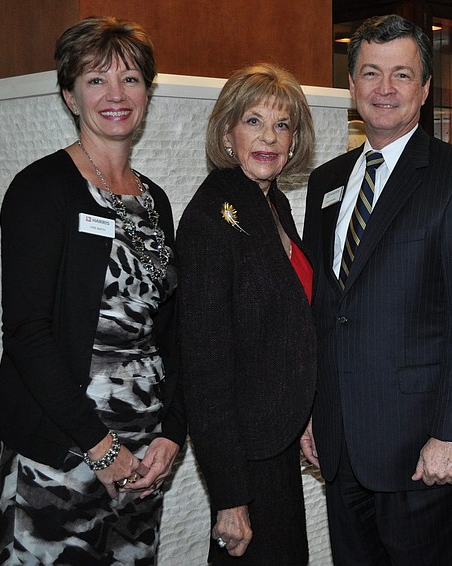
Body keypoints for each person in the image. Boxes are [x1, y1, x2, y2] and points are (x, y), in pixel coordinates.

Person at [300, 14, 452, 565]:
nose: (384, 89)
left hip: (423, 448)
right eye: (371, 73)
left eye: (400, 74)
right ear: (352, 86)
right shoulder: (326, 182)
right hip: (342, 444)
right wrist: (314, 416)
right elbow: (324, 310)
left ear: (424, 88)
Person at [0, 16, 184, 564]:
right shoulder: (40, 190)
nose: (116, 95)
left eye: (130, 78)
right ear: (70, 97)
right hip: (59, 453)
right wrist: (101, 450)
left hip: (143, 458)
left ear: (147, 90)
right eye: (96, 80)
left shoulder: (156, 202)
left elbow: (169, 330)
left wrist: (171, 430)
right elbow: (27, 334)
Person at [175, 63, 316, 564]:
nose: (269, 138)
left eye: (282, 125)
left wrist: (304, 416)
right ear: (227, 132)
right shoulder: (211, 216)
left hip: (275, 445)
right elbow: (206, 370)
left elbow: (284, 331)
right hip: (245, 460)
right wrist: (230, 499)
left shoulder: (271, 203)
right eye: (254, 121)